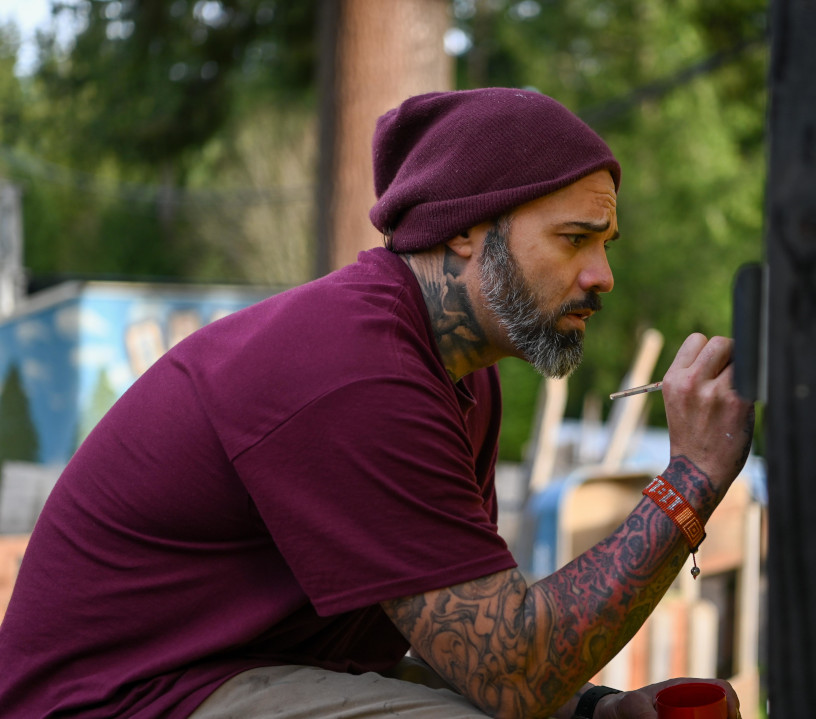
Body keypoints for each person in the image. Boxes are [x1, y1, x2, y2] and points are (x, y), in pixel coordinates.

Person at [0, 88, 753, 719]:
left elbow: (459, 641)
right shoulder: (356, 370)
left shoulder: (461, 372)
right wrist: (691, 476)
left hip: (240, 672)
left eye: (607, 243)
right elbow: (514, 669)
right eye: (575, 239)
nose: (603, 275)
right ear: (464, 229)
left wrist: (591, 710)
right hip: (115, 700)